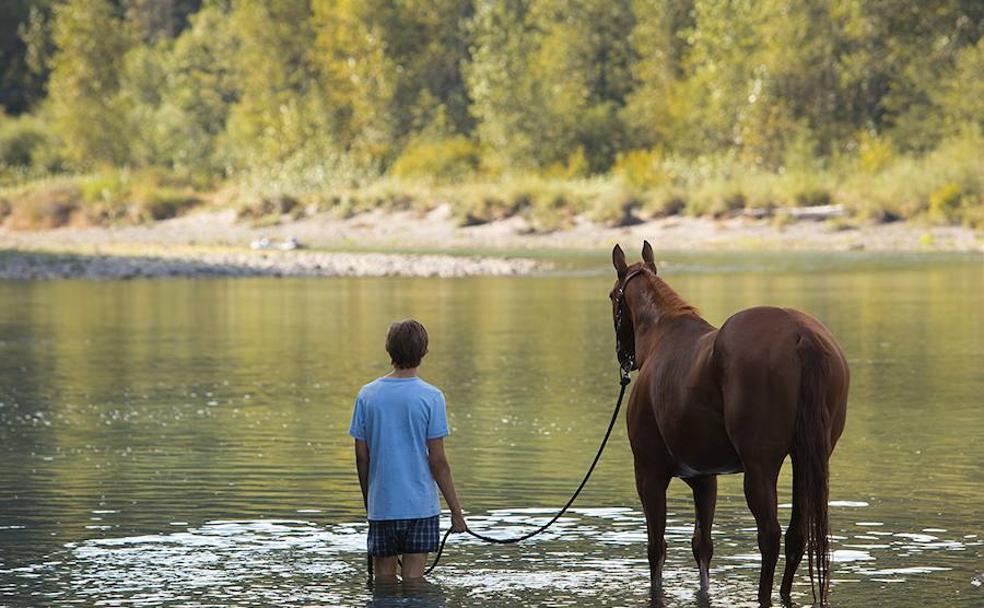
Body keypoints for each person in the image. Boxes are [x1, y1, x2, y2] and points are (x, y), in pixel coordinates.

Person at [349, 319, 468, 582]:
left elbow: (361, 457)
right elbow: (438, 462)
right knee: (415, 581)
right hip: (420, 507)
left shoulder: (367, 395)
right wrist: (456, 513)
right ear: (423, 352)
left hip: (383, 506)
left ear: (389, 350)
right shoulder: (431, 397)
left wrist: (371, 501)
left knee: (383, 581)